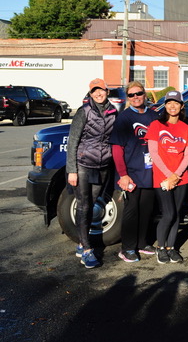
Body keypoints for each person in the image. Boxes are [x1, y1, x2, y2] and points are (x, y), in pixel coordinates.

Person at [66, 78, 118, 268]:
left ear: (107, 91)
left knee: (93, 203)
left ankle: (81, 242)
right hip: (83, 164)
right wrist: (72, 170)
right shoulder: (84, 112)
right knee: (84, 205)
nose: (98, 94)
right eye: (94, 91)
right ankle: (87, 250)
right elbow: (73, 141)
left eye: (101, 90)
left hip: (103, 165)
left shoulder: (113, 112)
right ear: (90, 93)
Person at [110, 81, 158, 263]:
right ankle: (127, 248)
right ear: (128, 98)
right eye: (131, 95)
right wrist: (123, 174)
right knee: (132, 211)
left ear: (145, 94)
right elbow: (116, 148)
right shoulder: (124, 118)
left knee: (147, 210)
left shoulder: (154, 115)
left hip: (149, 172)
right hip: (131, 173)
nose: (136, 97)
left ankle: (141, 243)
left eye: (139, 93)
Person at [146, 91, 188, 264]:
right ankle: (160, 248)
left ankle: (171, 248)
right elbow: (154, 153)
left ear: (181, 106)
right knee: (168, 214)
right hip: (162, 177)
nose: (173, 106)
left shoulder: (187, 128)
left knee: (177, 214)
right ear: (165, 105)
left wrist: (177, 175)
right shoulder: (156, 125)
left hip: (182, 178)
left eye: (176, 103)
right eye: (169, 103)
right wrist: (169, 176)